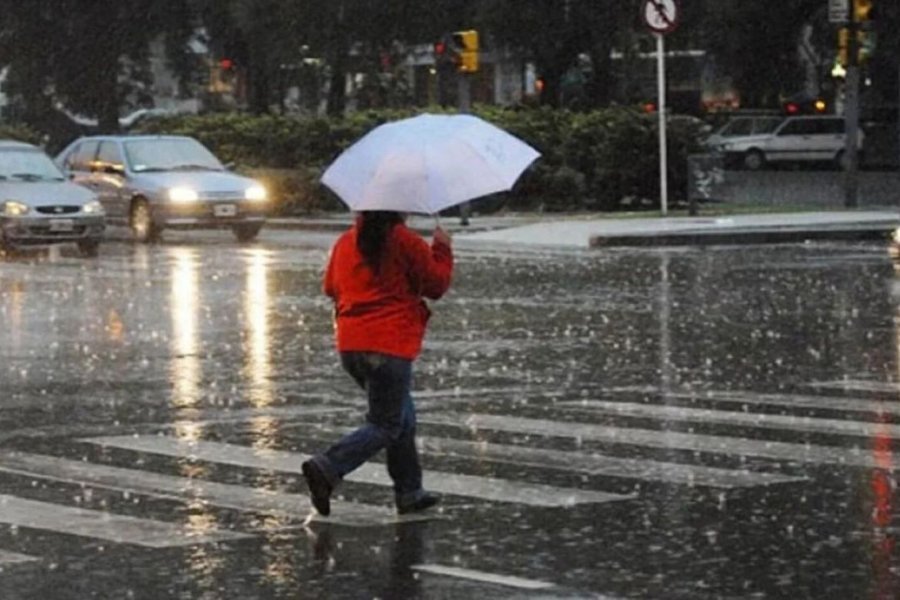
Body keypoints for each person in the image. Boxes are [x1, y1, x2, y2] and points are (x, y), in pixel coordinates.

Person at [302, 211, 453, 516]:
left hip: (351, 344)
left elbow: (330, 287)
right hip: (389, 344)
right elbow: (436, 286)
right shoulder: (405, 241)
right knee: (386, 423)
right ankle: (329, 466)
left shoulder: (346, 241)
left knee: (402, 416)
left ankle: (410, 491)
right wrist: (442, 249)